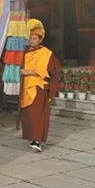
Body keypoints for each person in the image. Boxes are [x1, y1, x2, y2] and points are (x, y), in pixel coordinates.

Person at [19, 19, 61, 152]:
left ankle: (37, 141)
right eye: (30, 38)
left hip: (38, 87)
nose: (32, 41)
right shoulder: (25, 52)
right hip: (26, 87)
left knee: (38, 115)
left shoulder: (46, 54)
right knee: (28, 115)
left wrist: (30, 72)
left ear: (40, 39)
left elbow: (55, 71)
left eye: (35, 38)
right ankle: (32, 138)